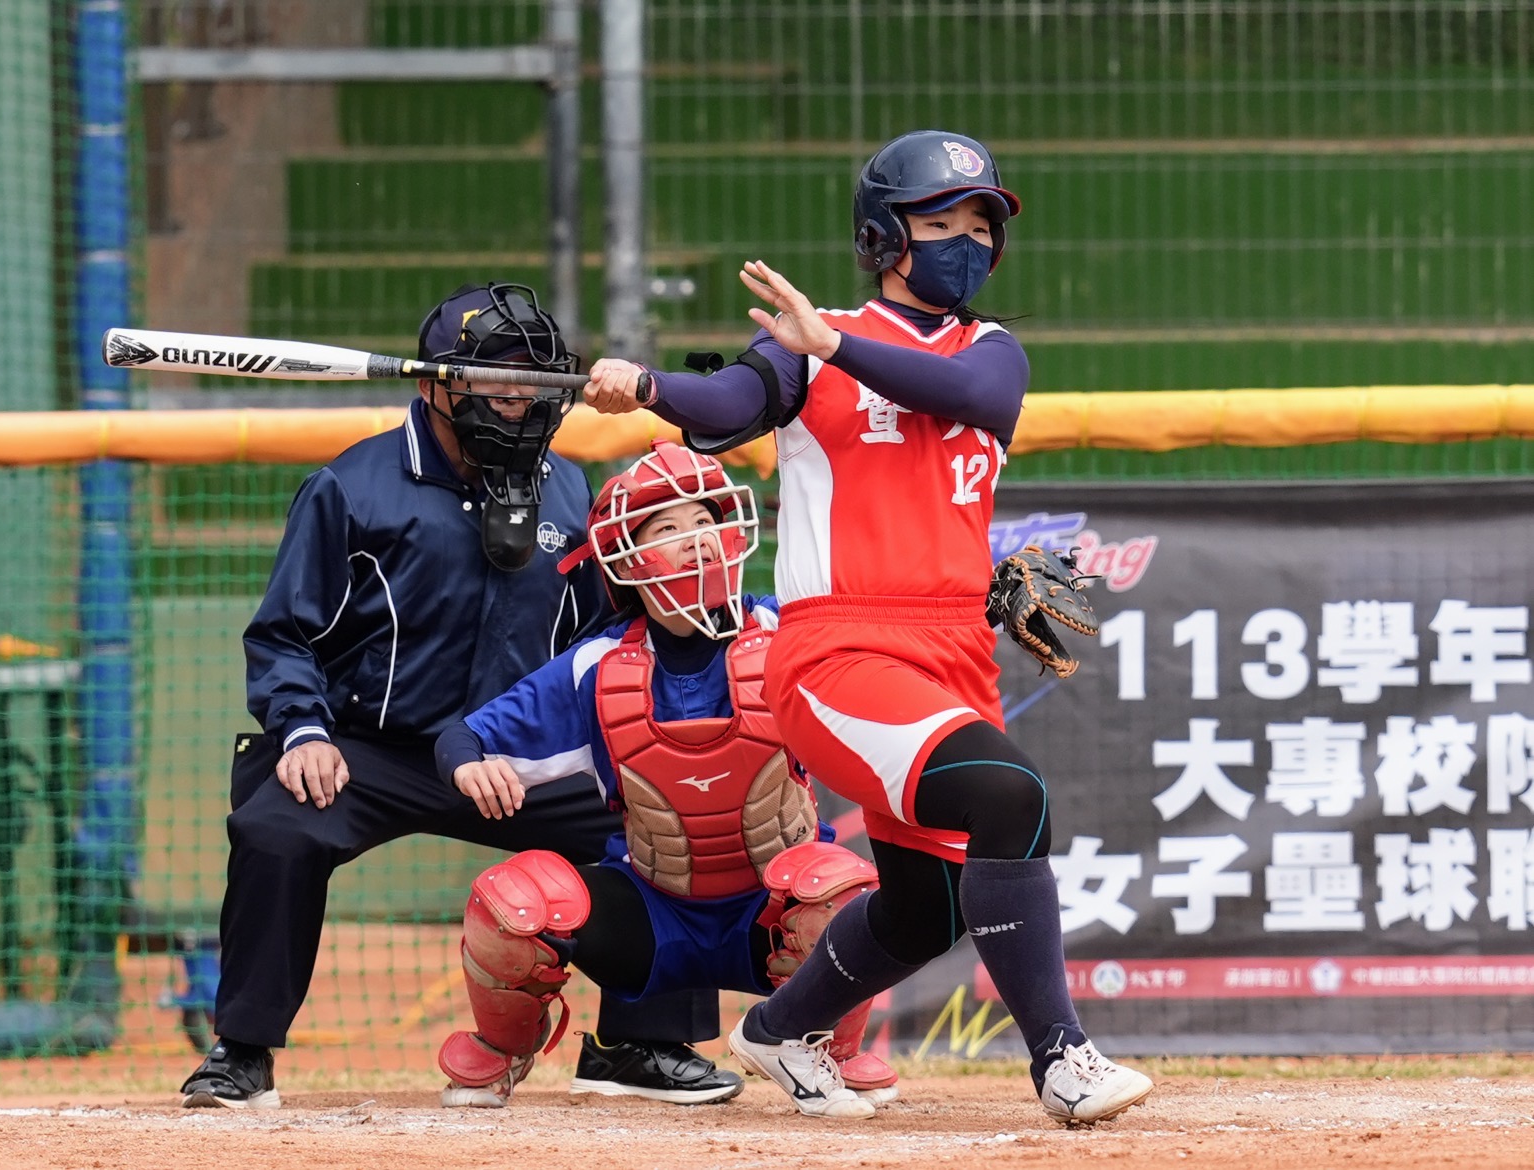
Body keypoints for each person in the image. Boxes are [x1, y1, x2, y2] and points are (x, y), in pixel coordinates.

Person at [581, 130, 1154, 1124]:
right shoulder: (810, 343)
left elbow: (970, 396)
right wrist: (647, 386)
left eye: (981, 223)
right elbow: (729, 402)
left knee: (926, 907)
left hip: (952, 654)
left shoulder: (986, 352)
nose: (967, 240)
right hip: (839, 654)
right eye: (941, 221)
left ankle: (778, 1031)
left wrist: (831, 346)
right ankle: (1062, 1059)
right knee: (1009, 796)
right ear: (883, 236)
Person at [179, 283, 730, 1109]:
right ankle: (242, 1052)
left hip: (513, 752)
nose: (517, 398)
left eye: (534, 380)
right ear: (439, 382)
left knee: (667, 816)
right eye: (496, 377)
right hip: (375, 750)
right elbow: (285, 634)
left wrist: (608, 743)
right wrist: (302, 732)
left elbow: (594, 641)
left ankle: (638, 1044)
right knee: (276, 827)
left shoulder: (568, 488)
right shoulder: (351, 487)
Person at [431, 441, 897, 1116]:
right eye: (669, 528)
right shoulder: (597, 667)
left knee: (841, 891)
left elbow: (887, 652)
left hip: (770, 917)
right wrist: (468, 764)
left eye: (705, 521)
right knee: (510, 901)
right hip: (652, 915)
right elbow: (465, 736)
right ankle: (502, 1052)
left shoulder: (786, 632)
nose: (696, 540)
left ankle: (830, 1050)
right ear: (627, 560)